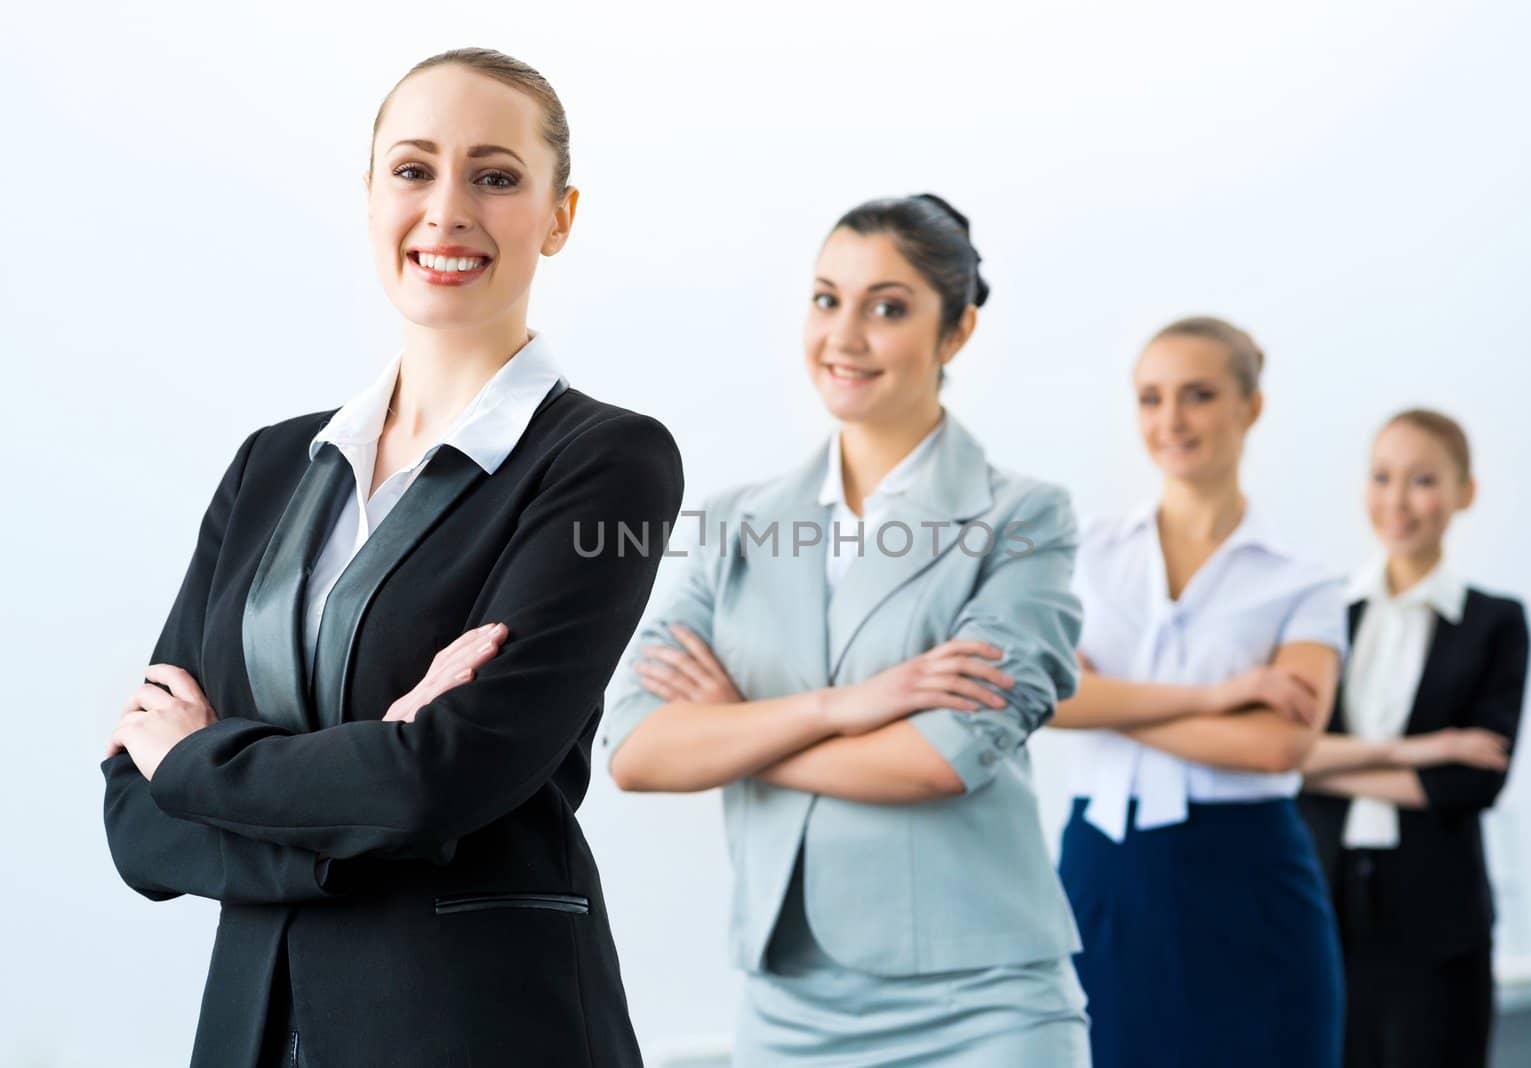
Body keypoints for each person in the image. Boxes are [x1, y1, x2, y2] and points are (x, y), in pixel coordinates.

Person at [100, 48, 681, 1068]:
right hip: (250, 1029)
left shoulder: (609, 462)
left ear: (558, 215)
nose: (447, 209)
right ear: (370, 195)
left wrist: (202, 760)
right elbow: (133, 818)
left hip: (479, 1027)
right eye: (413, 169)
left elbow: (442, 778)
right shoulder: (273, 464)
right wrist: (371, 774)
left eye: (495, 177)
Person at [600, 194, 1092, 1065]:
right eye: (827, 299)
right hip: (788, 1008)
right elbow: (638, 751)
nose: (845, 335)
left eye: (888, 307)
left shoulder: (1023, 519)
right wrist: (847, 706)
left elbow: (944, 758)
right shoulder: (742, 523)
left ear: (957, 333)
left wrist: (743, 730)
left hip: (984, 1002)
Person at [1046, 315, 1347, 1067]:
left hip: (1249, 875)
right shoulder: (1087, 554)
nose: (1170, 421)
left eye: (1198, 395)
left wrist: (1110, 702)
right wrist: (1217, 699)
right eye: (1150, 398)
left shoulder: (1302, 579)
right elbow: (1048, 695)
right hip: (1105, 873)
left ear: (1251, 406)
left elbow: (1281, 744)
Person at [1299, 409, 1531, 1068]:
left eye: (1423, 480)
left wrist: (1315, 765)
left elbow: (1473, 781)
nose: (1397, 502)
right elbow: (1275, 754)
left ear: (1466, 492)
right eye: (1382, 477)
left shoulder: (1495, 622)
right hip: (1321, 892)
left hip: (1437, 908)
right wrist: (1424, 750)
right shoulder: (1322, 609)